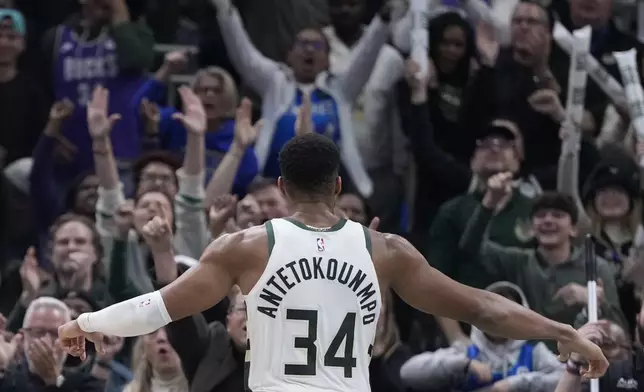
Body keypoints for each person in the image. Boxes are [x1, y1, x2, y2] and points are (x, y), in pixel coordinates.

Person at [58, 133, 609, 392]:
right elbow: (485, 307)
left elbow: (159, 306)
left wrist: (84, 322)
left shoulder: (246, 246)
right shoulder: (383, 251)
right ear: (339, 187)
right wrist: (564, 332)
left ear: (280, 187)